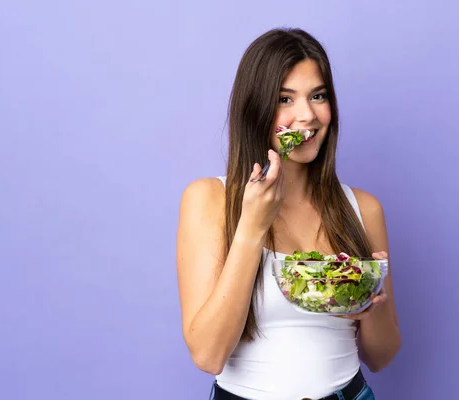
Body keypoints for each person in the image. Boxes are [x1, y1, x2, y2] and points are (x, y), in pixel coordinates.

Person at [176, 28, 401, 400]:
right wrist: (251, 228)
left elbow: (381, 356)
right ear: (256, 108)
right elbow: (208, 354)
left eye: (318, 96)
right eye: (285, 98)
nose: (306, 116)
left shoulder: (364, 208)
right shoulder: (209, 199)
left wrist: (368, 303)